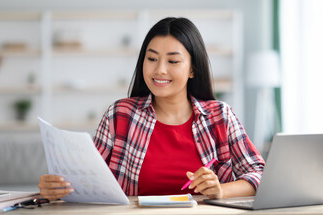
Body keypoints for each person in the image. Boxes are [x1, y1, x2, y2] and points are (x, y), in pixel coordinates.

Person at [38, 17, 265, 201]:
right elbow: (87, 181)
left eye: (173, 61)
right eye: (152, 59)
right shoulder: (120, 115)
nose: (160, 70)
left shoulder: (220, 116)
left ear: (192, 69)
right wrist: (57, 189)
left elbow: (261, 175)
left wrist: (221, 191)